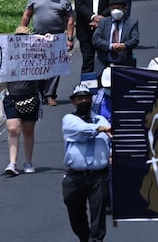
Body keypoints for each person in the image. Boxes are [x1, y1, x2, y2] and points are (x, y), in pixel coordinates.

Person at [62, 82, 112, 242]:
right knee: (74, 211)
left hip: (99, 176)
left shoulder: (101, 119)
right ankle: (84, 237)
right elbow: (82, 131)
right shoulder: (69, 120)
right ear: (73, 102)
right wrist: (98, 129)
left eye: (86, 98)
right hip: (76, 176)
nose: (84, 101)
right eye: (80, 98)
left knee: (99, 213)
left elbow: (110, 139)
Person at [20, 0, 74, 103]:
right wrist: (22, 30)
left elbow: (70, 20)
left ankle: (50, 95)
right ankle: (39, 93)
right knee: (38, 67)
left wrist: (69, 38)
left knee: (55, 67)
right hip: (38, 37)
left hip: (57, 38)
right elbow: (27, 14)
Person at [3, 28, 42, 176]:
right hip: (11, 97)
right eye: (18, 38)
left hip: (30, 97)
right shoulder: (7, 55)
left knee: (28, 130)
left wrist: (47, 40)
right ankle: (12, 163)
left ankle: (28, 161)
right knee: (13, 129)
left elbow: (50, 55)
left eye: (25, 38)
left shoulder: (37, 55)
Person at [74, 0, 107, 75]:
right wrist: (93, 17)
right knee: (87, 60)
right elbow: (79, 6)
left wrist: (101, 18)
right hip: (86, 28)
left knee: (105, 60)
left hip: (103, 29)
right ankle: (86, 84)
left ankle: (104, 83)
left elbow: (112, 5)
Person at [92, 0, 139, 69]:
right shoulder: (103, 22)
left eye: (118, 8)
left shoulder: (132, 22)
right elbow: (96, 39)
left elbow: (135, 39)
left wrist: (124, 45)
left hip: (124, 61)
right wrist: (111, 46)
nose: (116, 11)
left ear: (124, 9)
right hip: (104, 61)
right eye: (113, 8)